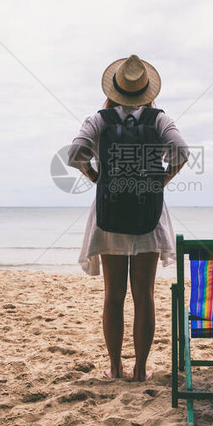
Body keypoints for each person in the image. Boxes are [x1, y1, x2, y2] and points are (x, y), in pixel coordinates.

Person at [68, 54, 188, 382]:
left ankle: (115, 366)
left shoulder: (98, 120)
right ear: (148, 90)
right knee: (144, 295)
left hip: (109, 216)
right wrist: (160, 180)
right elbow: (182, 151)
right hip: (150, 216)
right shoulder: (160, 120)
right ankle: (139, 370)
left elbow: (75, 153)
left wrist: (95, 177)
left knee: (113, 296)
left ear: (115, 89)